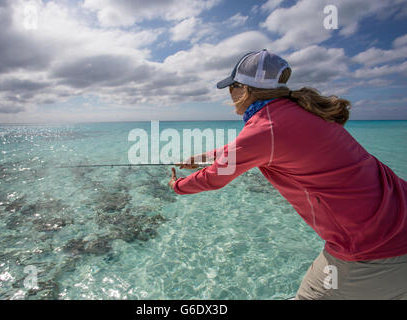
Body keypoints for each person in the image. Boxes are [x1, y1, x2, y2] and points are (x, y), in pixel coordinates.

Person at [167, 49, 407, 300]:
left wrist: (177, 185)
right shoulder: (300, 111)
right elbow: (243, 149)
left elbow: (214, 178)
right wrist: (200, 159)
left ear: (244, 90)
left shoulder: (265, 128)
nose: (230, 96)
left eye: (231, 88)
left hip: (376, 248)